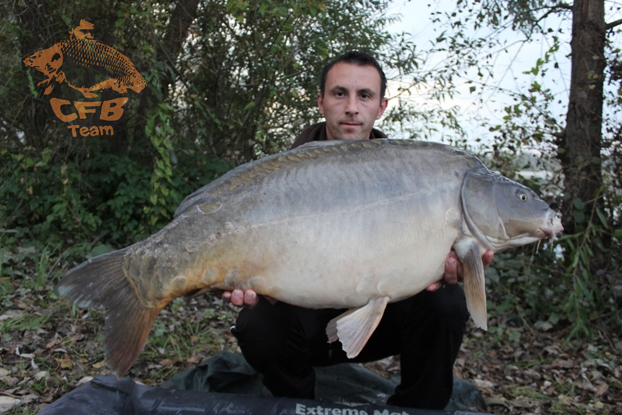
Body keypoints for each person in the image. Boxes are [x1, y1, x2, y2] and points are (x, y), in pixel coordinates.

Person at [223, 51, 494, 409]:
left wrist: (450, 263)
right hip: (306, 320)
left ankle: (417, 408)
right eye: (340, 94)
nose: (352, 107)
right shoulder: (279, 179)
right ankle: (297, 403)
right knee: (257, 323)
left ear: (381, 107)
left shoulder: (408, 174)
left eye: (364, 96)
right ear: (321, 102)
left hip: (382, 319)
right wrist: (235, 279)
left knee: (446, 302)